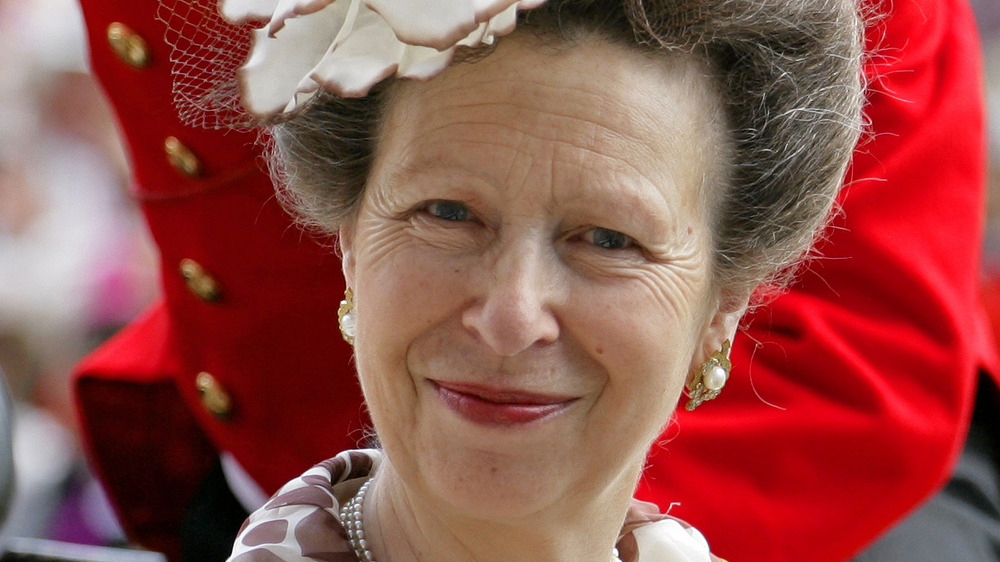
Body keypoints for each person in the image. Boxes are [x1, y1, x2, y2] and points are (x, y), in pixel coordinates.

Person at [71, 0, 993, 561]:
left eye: (607, 236)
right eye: (445, 213)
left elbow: (869, 347)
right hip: (297, 455)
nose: (510, 315)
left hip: (774, 471)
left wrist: (536, 541)